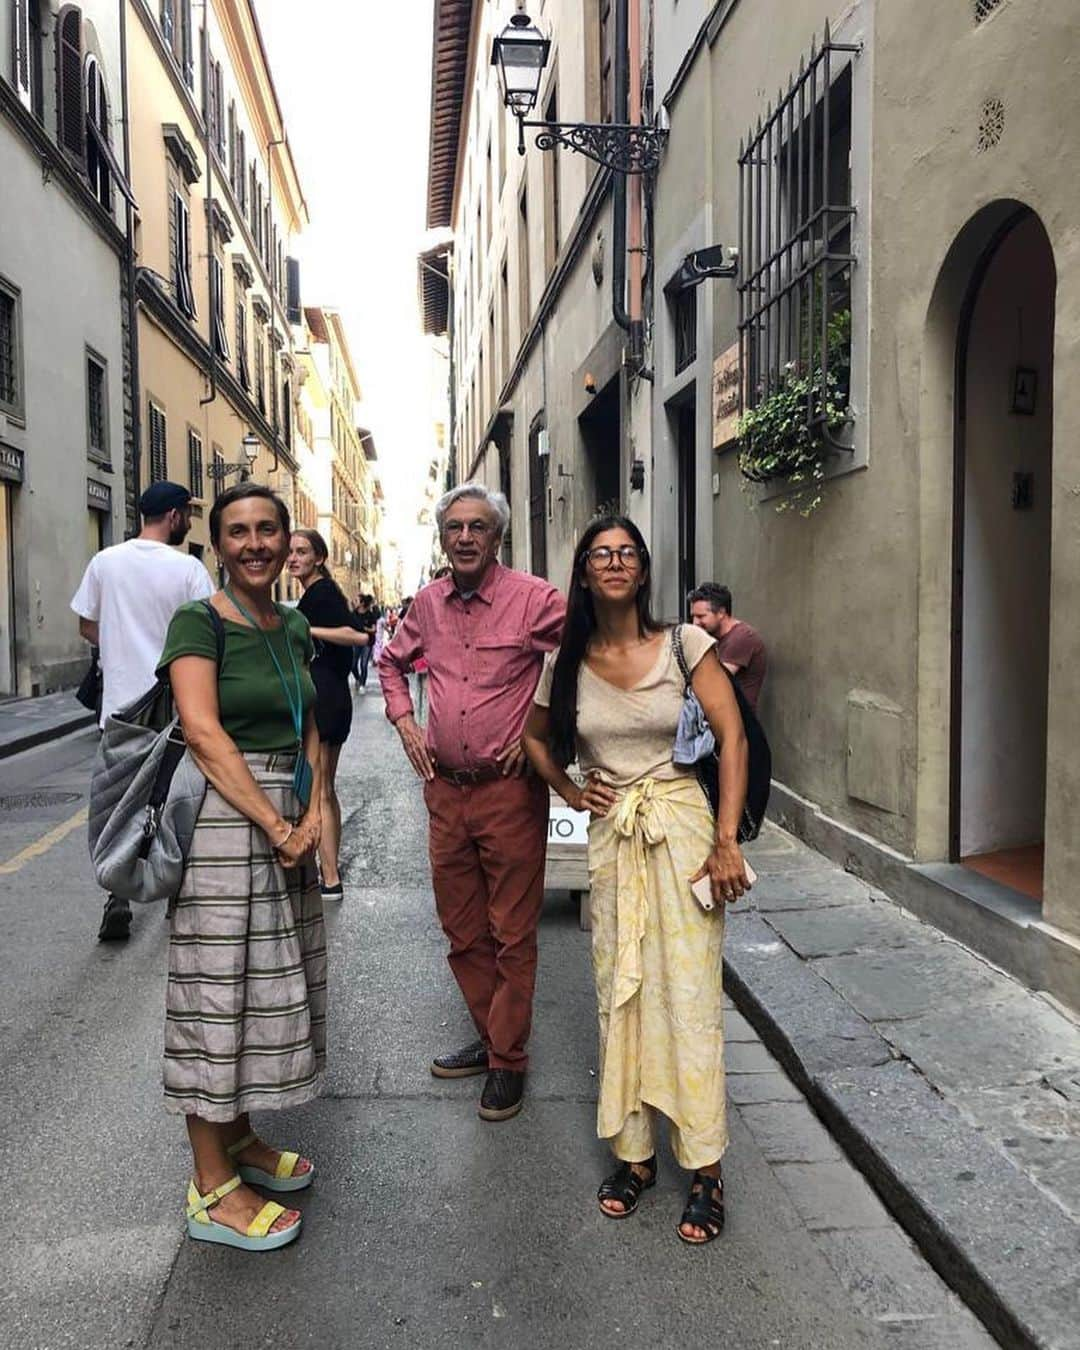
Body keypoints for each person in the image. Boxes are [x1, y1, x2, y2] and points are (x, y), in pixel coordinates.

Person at [523, 516, 749, 1245]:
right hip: (615, 836)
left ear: (643, 570)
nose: (614, 563)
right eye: (600, 555)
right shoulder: (569, 663)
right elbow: (532, 738)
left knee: (688, 999)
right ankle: (635, 1154)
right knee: (619, 999)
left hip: (682, 830)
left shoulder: (686, 645)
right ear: (584, 574)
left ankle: (706, 1168)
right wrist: (567, 785)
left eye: (626, 553)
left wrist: (724, 843)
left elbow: (734, 736)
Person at [157, 482, 325, 1253]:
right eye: (237, 532)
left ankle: (243, 1139)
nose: (254, 544)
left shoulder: (291, 623)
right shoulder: (199, 621)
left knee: (262, 991)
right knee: (217, 997)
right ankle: (210, 1187)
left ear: (287, 540)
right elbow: (200, 730)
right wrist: (275, 824)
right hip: (230, 824)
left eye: (267, 530)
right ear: (218, 545)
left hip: (286, 816)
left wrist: (314, 809)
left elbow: (312, 724)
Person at [380, 483, 565, 1123]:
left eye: (477, 527)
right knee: (462, 932)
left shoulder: (535, 600)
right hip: (445, 793)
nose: (464, 537)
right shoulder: (427, 604)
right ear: (442, 537)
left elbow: (582, 658)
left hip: (509, 793)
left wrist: (540, 732)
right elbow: (390, 662)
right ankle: (494, 1040)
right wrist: (405, 720)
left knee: (512, 933)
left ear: (497, 537)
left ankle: (507, 1062)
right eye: (454, 526)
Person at [70, 480, 213, 942]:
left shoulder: (104, 562)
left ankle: (118, 894)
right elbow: (211, 631)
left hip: (120, 708)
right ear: (173, 517)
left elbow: (86, 625)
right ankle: (178, 894)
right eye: (186, 515)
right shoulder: (189, 569)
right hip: (174, 702)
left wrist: (116, 645)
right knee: (176, 799)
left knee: (118, 802)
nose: (188, 522)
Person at [287, 529, 368, 899]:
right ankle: (329, 874)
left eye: (301, 552)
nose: (293, 558)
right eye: (290, 552)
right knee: (325, 789)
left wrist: (303, 627)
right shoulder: (318, 592)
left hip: (325, 699)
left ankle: (330, 876)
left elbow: (358, 636)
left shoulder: (321, 593)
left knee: (319, 791)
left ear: (319, 557)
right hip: (330, 696)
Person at [688, 583, 768, 713]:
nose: (695, 623)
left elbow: (714, 683)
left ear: (721, 613)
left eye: (701, 616)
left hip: (738, 721)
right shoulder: (713, 638)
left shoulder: (741, 638)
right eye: (693, 616)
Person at [351, 594, 380, 691]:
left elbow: (374, 629)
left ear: (362, 603)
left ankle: (362, 684)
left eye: (356, 600)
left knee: (363, 664)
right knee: (353, 664)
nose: (354, 602)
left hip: (367, 642)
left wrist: (364, 628)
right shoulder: (353, 614)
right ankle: (358, 678)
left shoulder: (370, 615)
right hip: (356, 641)